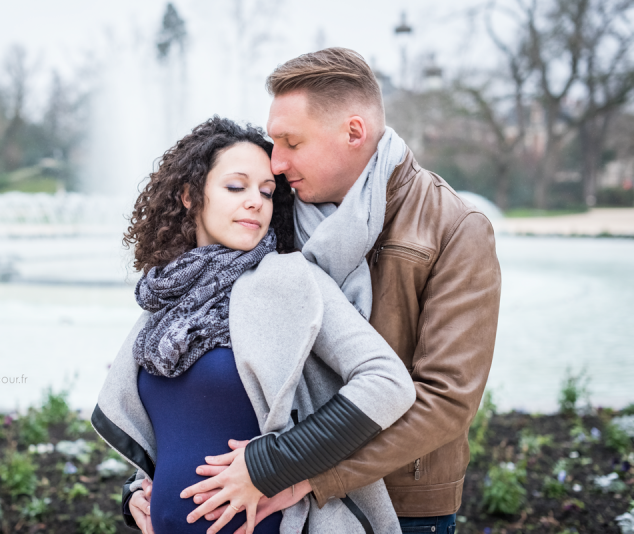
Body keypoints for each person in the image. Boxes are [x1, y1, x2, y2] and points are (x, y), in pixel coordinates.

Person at [177, 49, 503, 534]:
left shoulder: (455, 227)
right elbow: (199, 340)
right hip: (270, 495)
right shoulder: (270, 211)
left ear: (353, 133)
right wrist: (150, 478)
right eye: (274, 142)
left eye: (291, 142)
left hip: (400, 504)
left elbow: (446, 399)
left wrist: (307, 471)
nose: (277, 161)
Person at [91, 117, 416, 534]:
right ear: (190, 196)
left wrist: (272, 463)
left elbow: (387, 382)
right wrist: (136, 491)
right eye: (235, 187)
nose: (256, 202)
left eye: (266, 191)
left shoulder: (290, 279)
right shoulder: (166, 299)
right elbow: (173, 428)